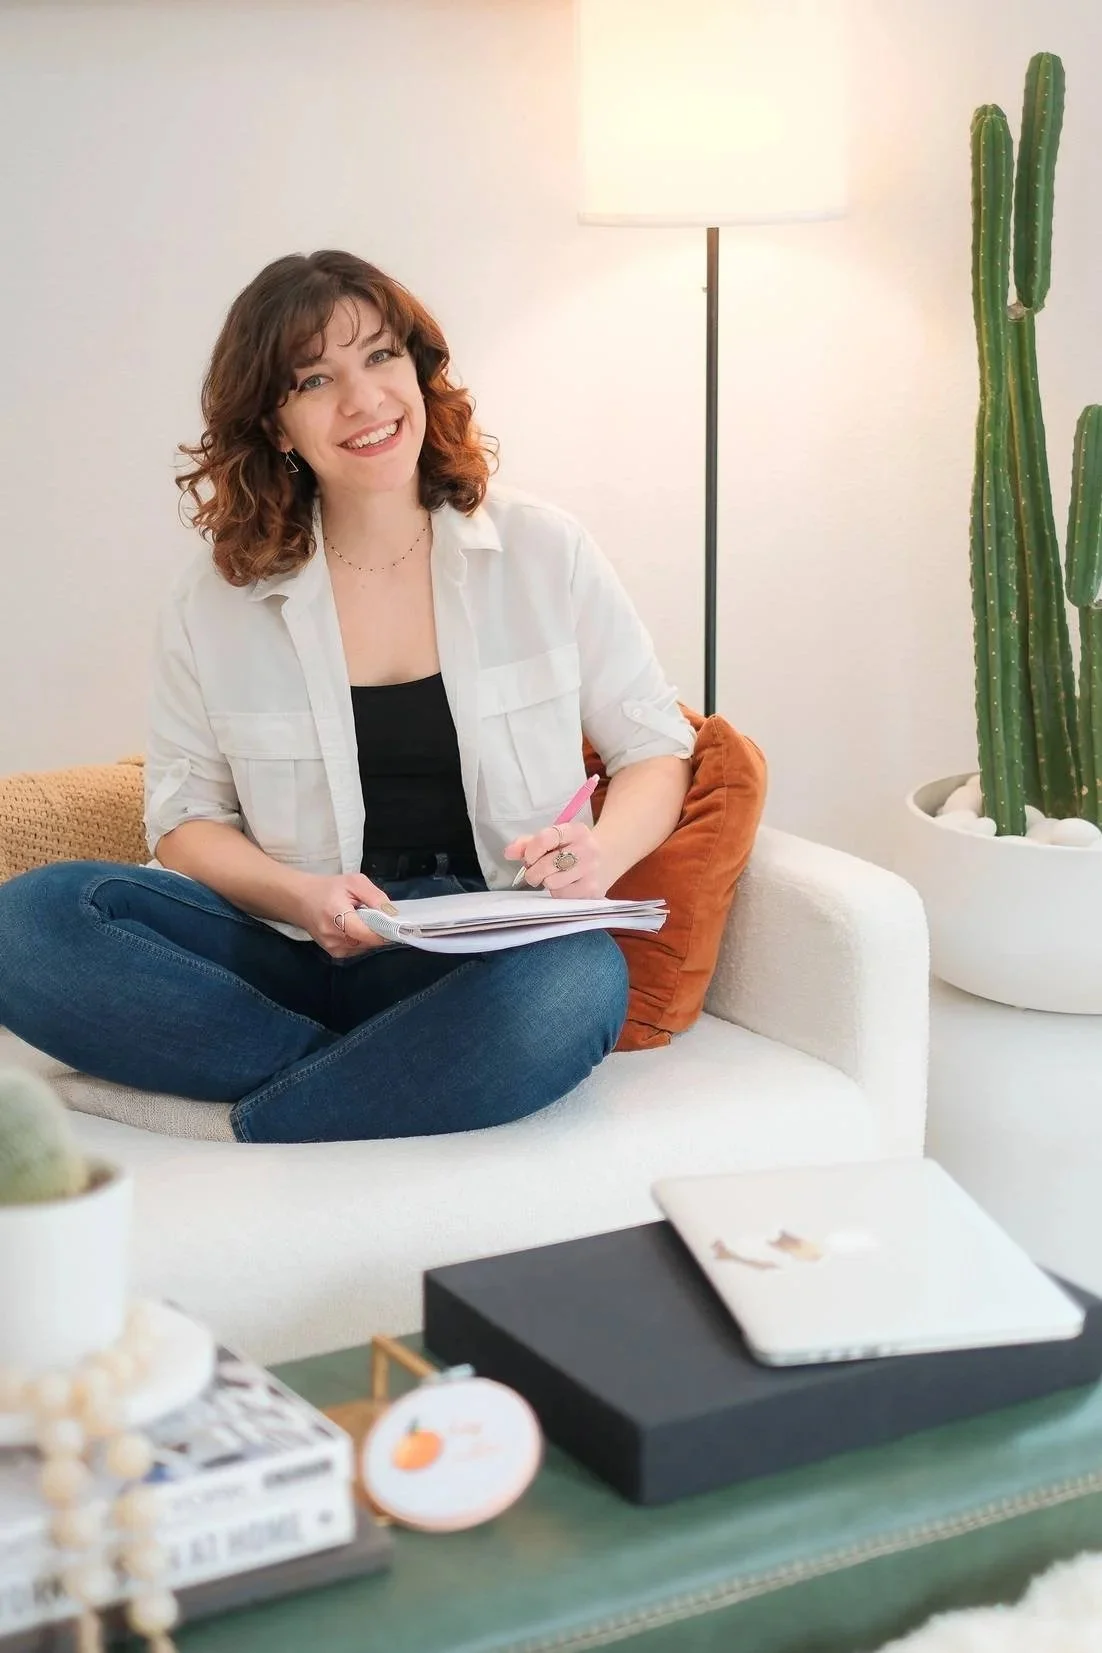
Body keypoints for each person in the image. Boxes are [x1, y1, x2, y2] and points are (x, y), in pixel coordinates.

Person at [0, 250, 694, 1143]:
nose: (363, 401)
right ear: (279, 425)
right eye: (315, 379)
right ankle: (391, 1072)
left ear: (418, 371)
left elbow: (654, 748)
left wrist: (597, 853)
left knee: (578, 983)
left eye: (379, 358)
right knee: (31, 921)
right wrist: (301, 898)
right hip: (287, 947)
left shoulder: (541, 551)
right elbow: (182, 818)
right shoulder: (217, 598)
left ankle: (254, 1111)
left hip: (478, 952)